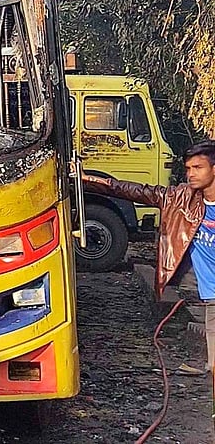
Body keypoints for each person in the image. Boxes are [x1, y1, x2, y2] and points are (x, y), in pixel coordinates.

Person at [83, 140, 215, 375]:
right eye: (188, 168)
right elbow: (138, 191)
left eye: (198, 168)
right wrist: (89, 180)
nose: (190, 174)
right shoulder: (181, 198)